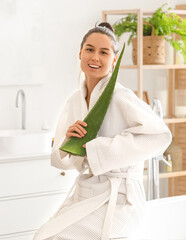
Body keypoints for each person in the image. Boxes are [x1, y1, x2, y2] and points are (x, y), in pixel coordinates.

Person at [33, 22, 172, 240]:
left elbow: (160, 136)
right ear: (80, 53)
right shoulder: (74, 100)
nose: (95, 57)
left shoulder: (119, 95)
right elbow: (62, 160)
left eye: (104, 52)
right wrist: (69, 142)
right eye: (89, 49)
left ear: (114, 60)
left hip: (120, 199)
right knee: (42, 236)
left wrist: (98, 149)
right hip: (87, 191)